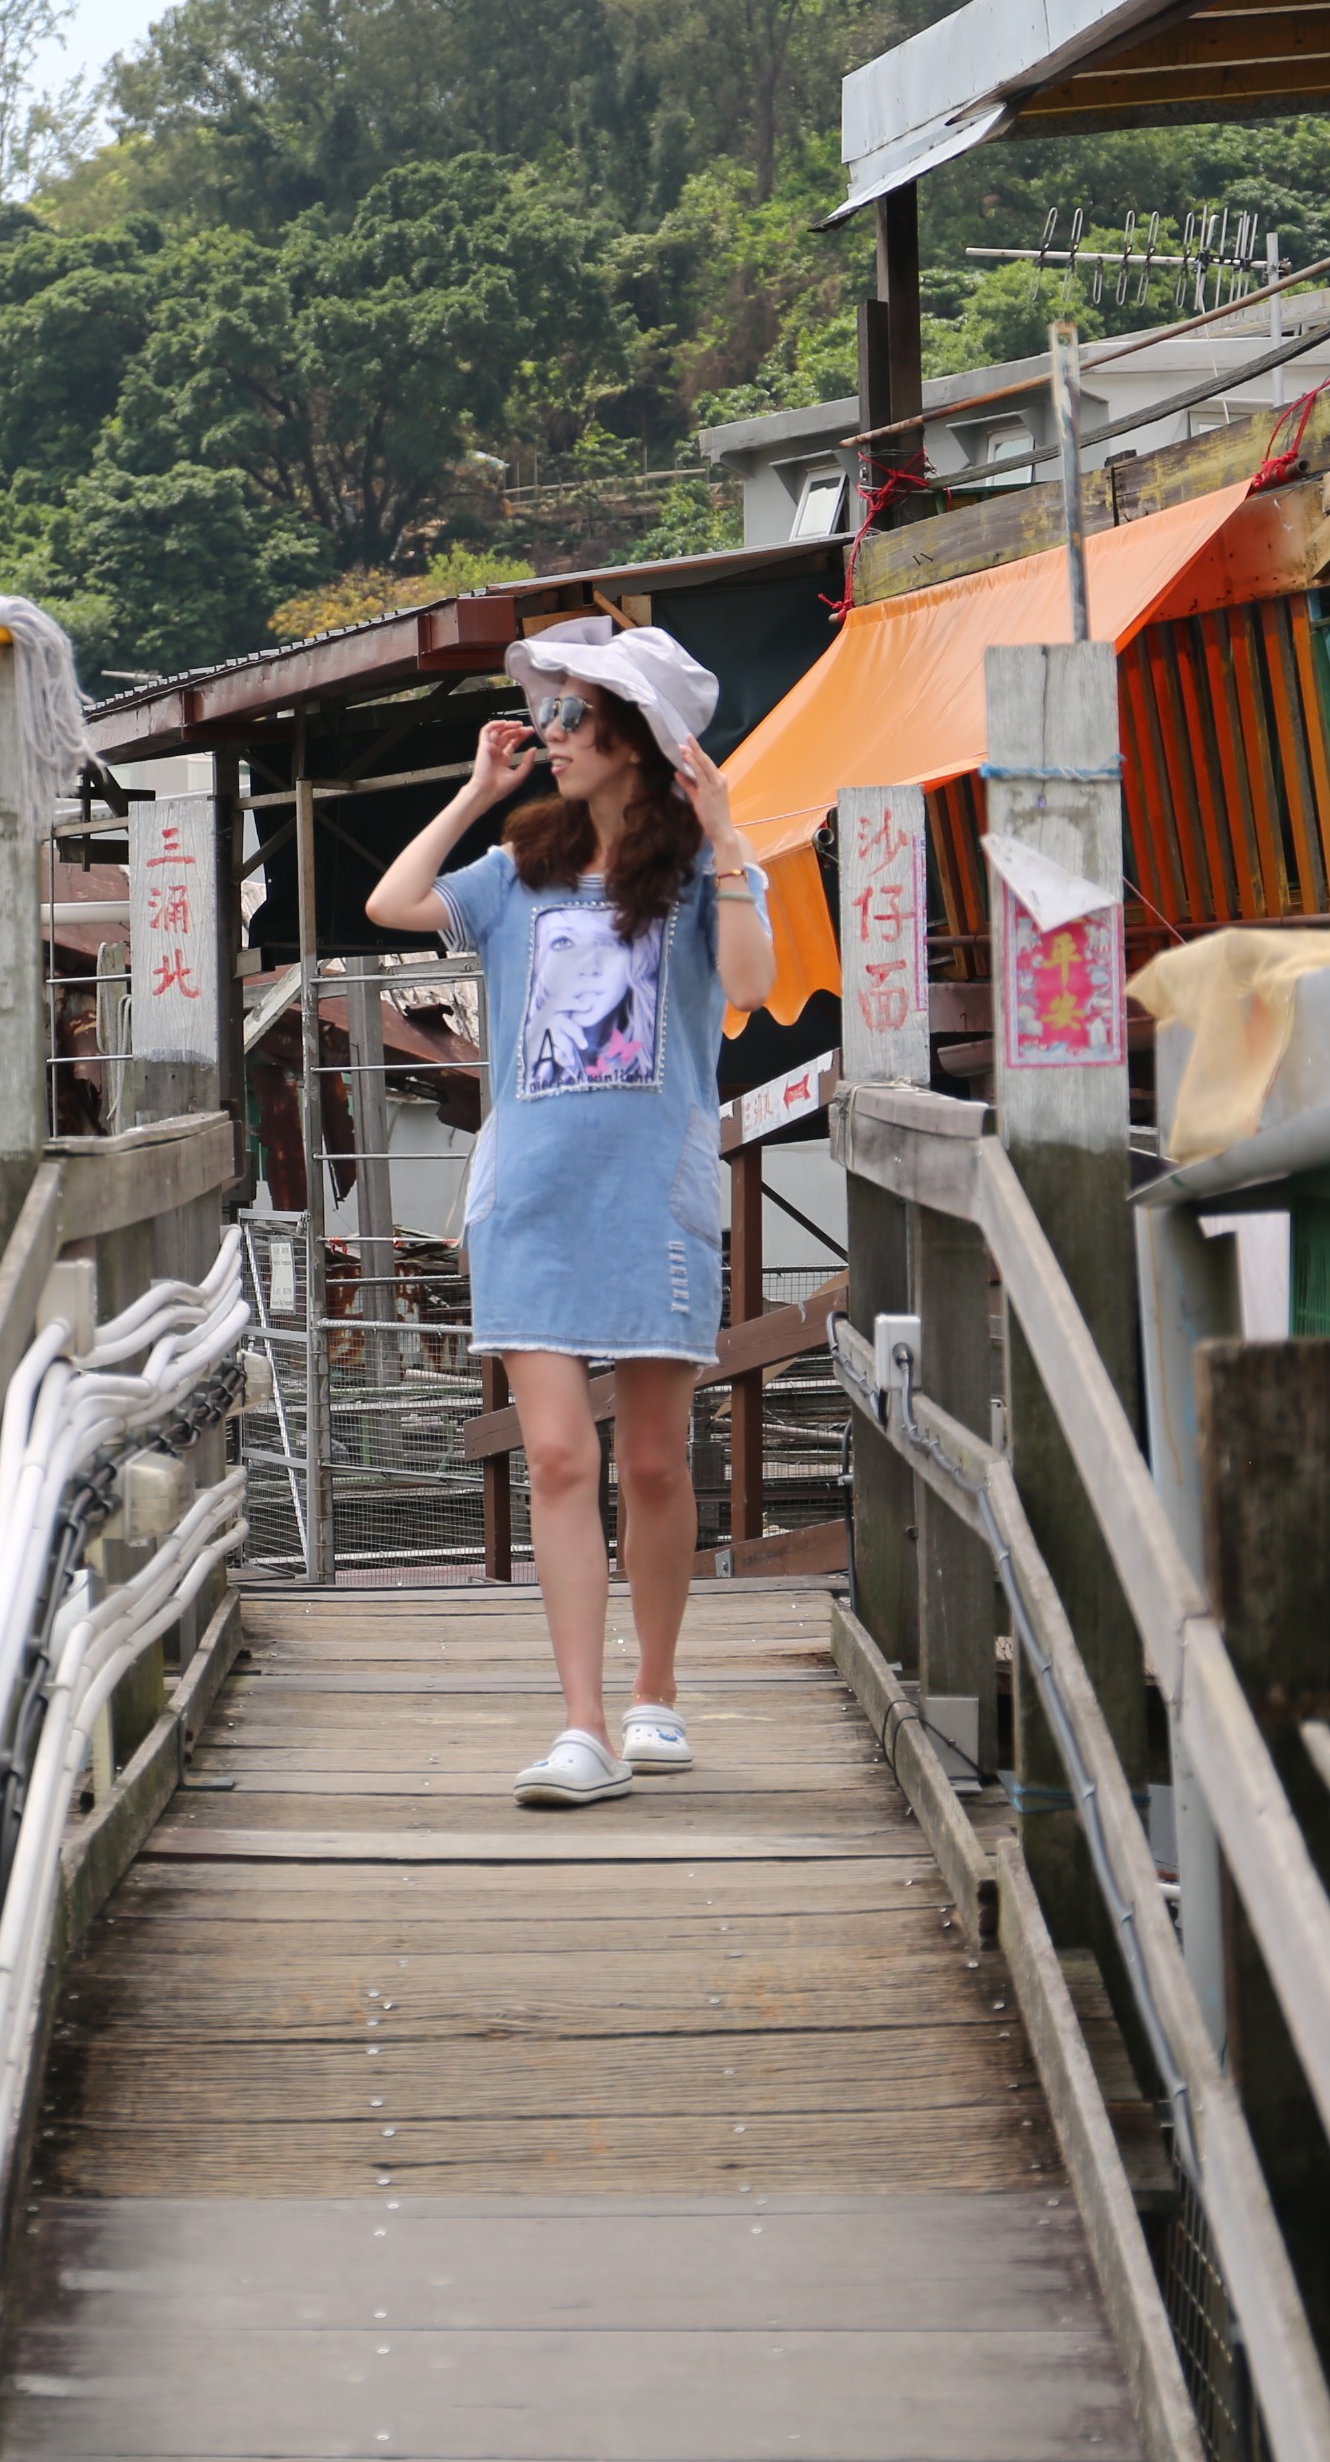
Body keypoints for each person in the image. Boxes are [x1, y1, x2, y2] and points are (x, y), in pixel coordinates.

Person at [367, 617, 775, 1805]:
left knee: (652, 1460)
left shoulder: (699, 873)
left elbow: (748, 988)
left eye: (569, 719)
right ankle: (583, 1725)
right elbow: (395, 901)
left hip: (650, 1193)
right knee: (557, 1453)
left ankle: (655, 1694)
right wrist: (471, 793)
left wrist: (731, 840)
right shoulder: (516, 874)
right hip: (529, 1197)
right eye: (544, 715)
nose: (548, 737)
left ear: (635, 741)